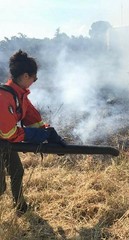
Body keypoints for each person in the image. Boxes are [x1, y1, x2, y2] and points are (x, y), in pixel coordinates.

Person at [0, 50, 65, 216]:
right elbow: (9, 133)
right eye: (34, 78)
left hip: (4, 142)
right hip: (5, 139)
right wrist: (35, 136)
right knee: (0, 186)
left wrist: (49, 135)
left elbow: (33, 119)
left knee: (17, 171)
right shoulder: (4, 97)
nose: (34, 82)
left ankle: (20, 207)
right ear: (26, 76)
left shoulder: (19, 95)